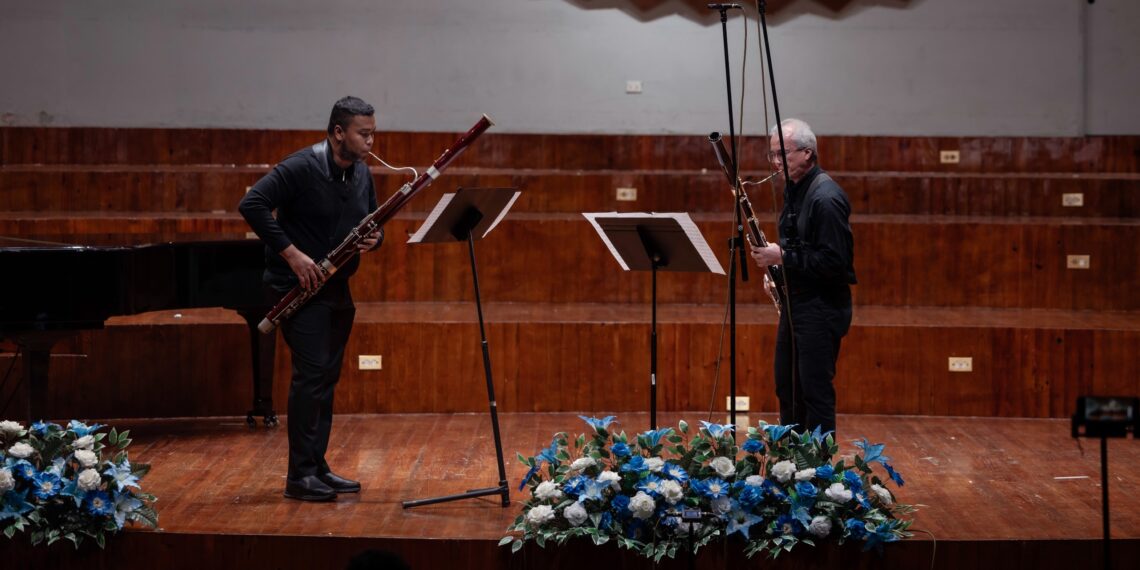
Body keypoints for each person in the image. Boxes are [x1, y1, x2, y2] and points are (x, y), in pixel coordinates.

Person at [239, 96, 384, 501]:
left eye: (373, 133)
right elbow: (252, 204)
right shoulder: (300, 166)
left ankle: (317, 466)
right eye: (364, 134)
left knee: (326, 378)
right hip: (296, 288)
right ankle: (299, 476)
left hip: (336, 287)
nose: (371, 141)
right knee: (311, 376)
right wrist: (292, 254)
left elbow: (373, 220)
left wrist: (375, 238)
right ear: (338, 132)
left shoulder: (361, 172)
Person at [749, 118, 856, 436]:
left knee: (814, 392)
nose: (775, 162)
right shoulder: (796, 189)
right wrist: (780, 272)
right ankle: (791, 460)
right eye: (772, 155)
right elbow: (801, 248)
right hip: (796, 304)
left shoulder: (825, 198)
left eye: (782, 154)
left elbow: (835, 263)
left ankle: (819, 465)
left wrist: (781, 256)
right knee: (788, 387)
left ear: (808, 153)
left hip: (820, 308)